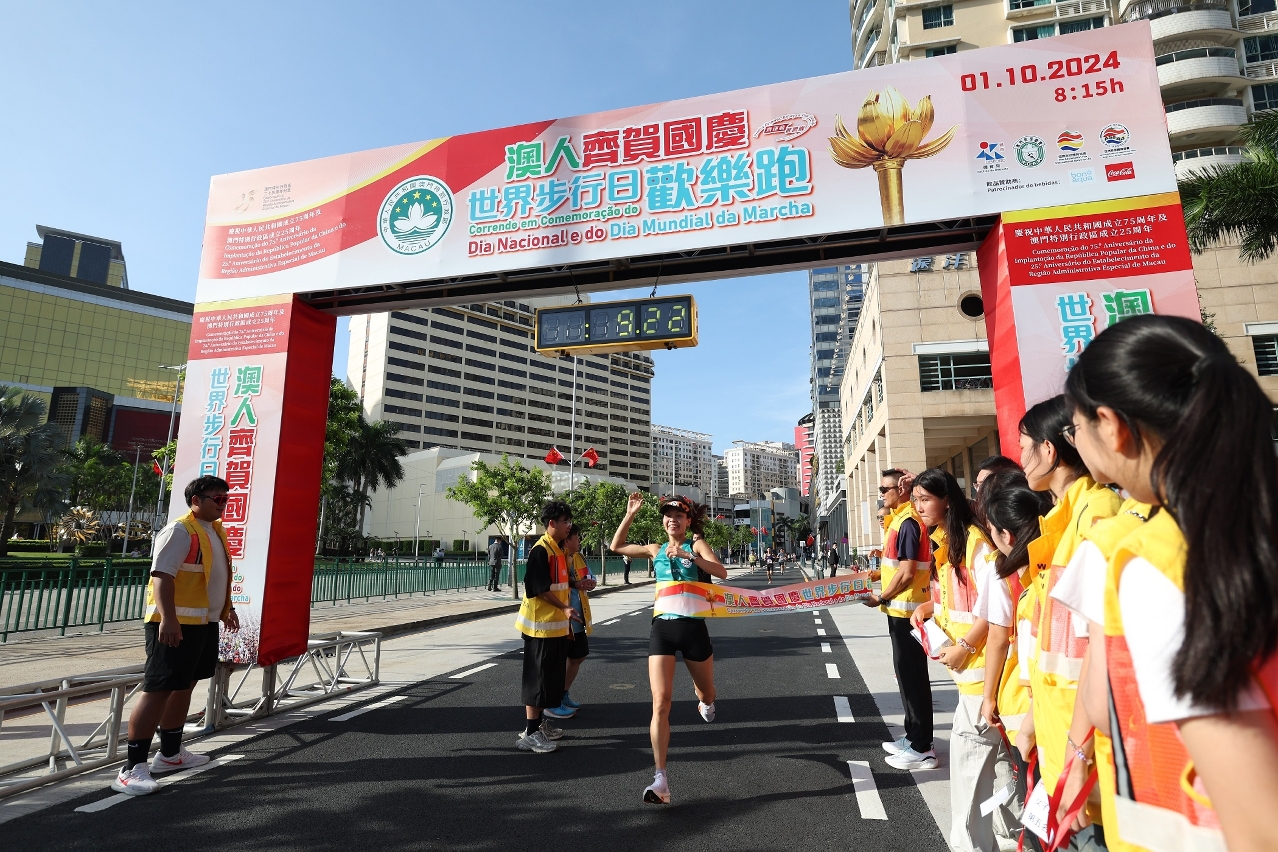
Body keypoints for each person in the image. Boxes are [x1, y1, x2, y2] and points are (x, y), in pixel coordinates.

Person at [1060, 315, 1278, 852]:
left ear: (1111, 425)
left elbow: (1259, 827)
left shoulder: (1159, 563)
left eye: (1075, 427)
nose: (1076, 443)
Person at [1018, 396, 1121, 851]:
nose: (1021, 460)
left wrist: (1079, 755)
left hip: (1088, 757)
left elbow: (1102, 650)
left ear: (1049, 450)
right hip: (1062, 739)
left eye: (1024, 448)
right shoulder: (1063, 520)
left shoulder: (1096, 515)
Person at [910, 468, 1021, 851]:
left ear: (947, 500)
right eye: (915, 499)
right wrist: (929, 608)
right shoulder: (950, 542)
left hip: (984, 684)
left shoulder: (976, 546)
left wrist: (965, 647)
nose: (918, 506)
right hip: (982, 682)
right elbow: (964, 603)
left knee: (969, 784)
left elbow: (996, 616)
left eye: (925, 499)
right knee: (1006, 778)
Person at [112, 476, 239, 796]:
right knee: (158, 689)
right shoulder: (180, 530)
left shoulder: (215, 531)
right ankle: (131, 768)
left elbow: (214, 577)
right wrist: (168, 619)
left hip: (203, 623)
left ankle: (170, 754)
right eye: (217, 499)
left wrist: (228, 608)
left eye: (226, 499)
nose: (223, 504)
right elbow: (162, 576)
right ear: (196, 500)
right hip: (174, 624)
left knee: (184, 685)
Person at [610, 492, 727, 805]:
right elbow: (616, 547)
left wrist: (689, 556)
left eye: (678, 516)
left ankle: (705, 701)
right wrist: (630, 514)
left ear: (688, 521)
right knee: (660, 702)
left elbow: (721, 572)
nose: (672, 520)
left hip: (693, 629)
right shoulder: (655, 549)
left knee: (707, 693)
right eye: (668, 515)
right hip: (662, 629)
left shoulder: (696, 545)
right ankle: (660, 778)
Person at [864, 468, 936, 769]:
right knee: (907, 677)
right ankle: (913, 737)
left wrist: (881, 596)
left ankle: (922, 747)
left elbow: (907, 573)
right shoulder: (900, 520)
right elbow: (898, 567)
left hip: (907, 613)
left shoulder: (907, 522)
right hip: (902, 611)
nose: (881, 494)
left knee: (913, 678)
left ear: (902, 490)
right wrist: (877, 575)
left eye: (885, 489)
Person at [513, 500, 580, 754]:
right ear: (551, 523)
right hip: (540, 628)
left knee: (549, 681)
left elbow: (558, 583)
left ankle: (539, 726)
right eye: (565, 521)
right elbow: (538, 588)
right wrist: (564, 608)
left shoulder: (558, 549)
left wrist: (576, 585)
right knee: (537, 683)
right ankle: (530, 734)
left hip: (555, 628)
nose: (569, 526)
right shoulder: (541, 550)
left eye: (569, 521)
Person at [544, 525, 596, 720]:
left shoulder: (579, 557)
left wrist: (589, 582)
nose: (579, 541)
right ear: (567, 539)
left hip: (577, 618)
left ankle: (562, 694)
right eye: (577, 537)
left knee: (578, 656)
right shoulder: (557, 557)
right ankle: (552, 702)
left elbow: (589, 576)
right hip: (560, 619)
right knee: (557, 662)